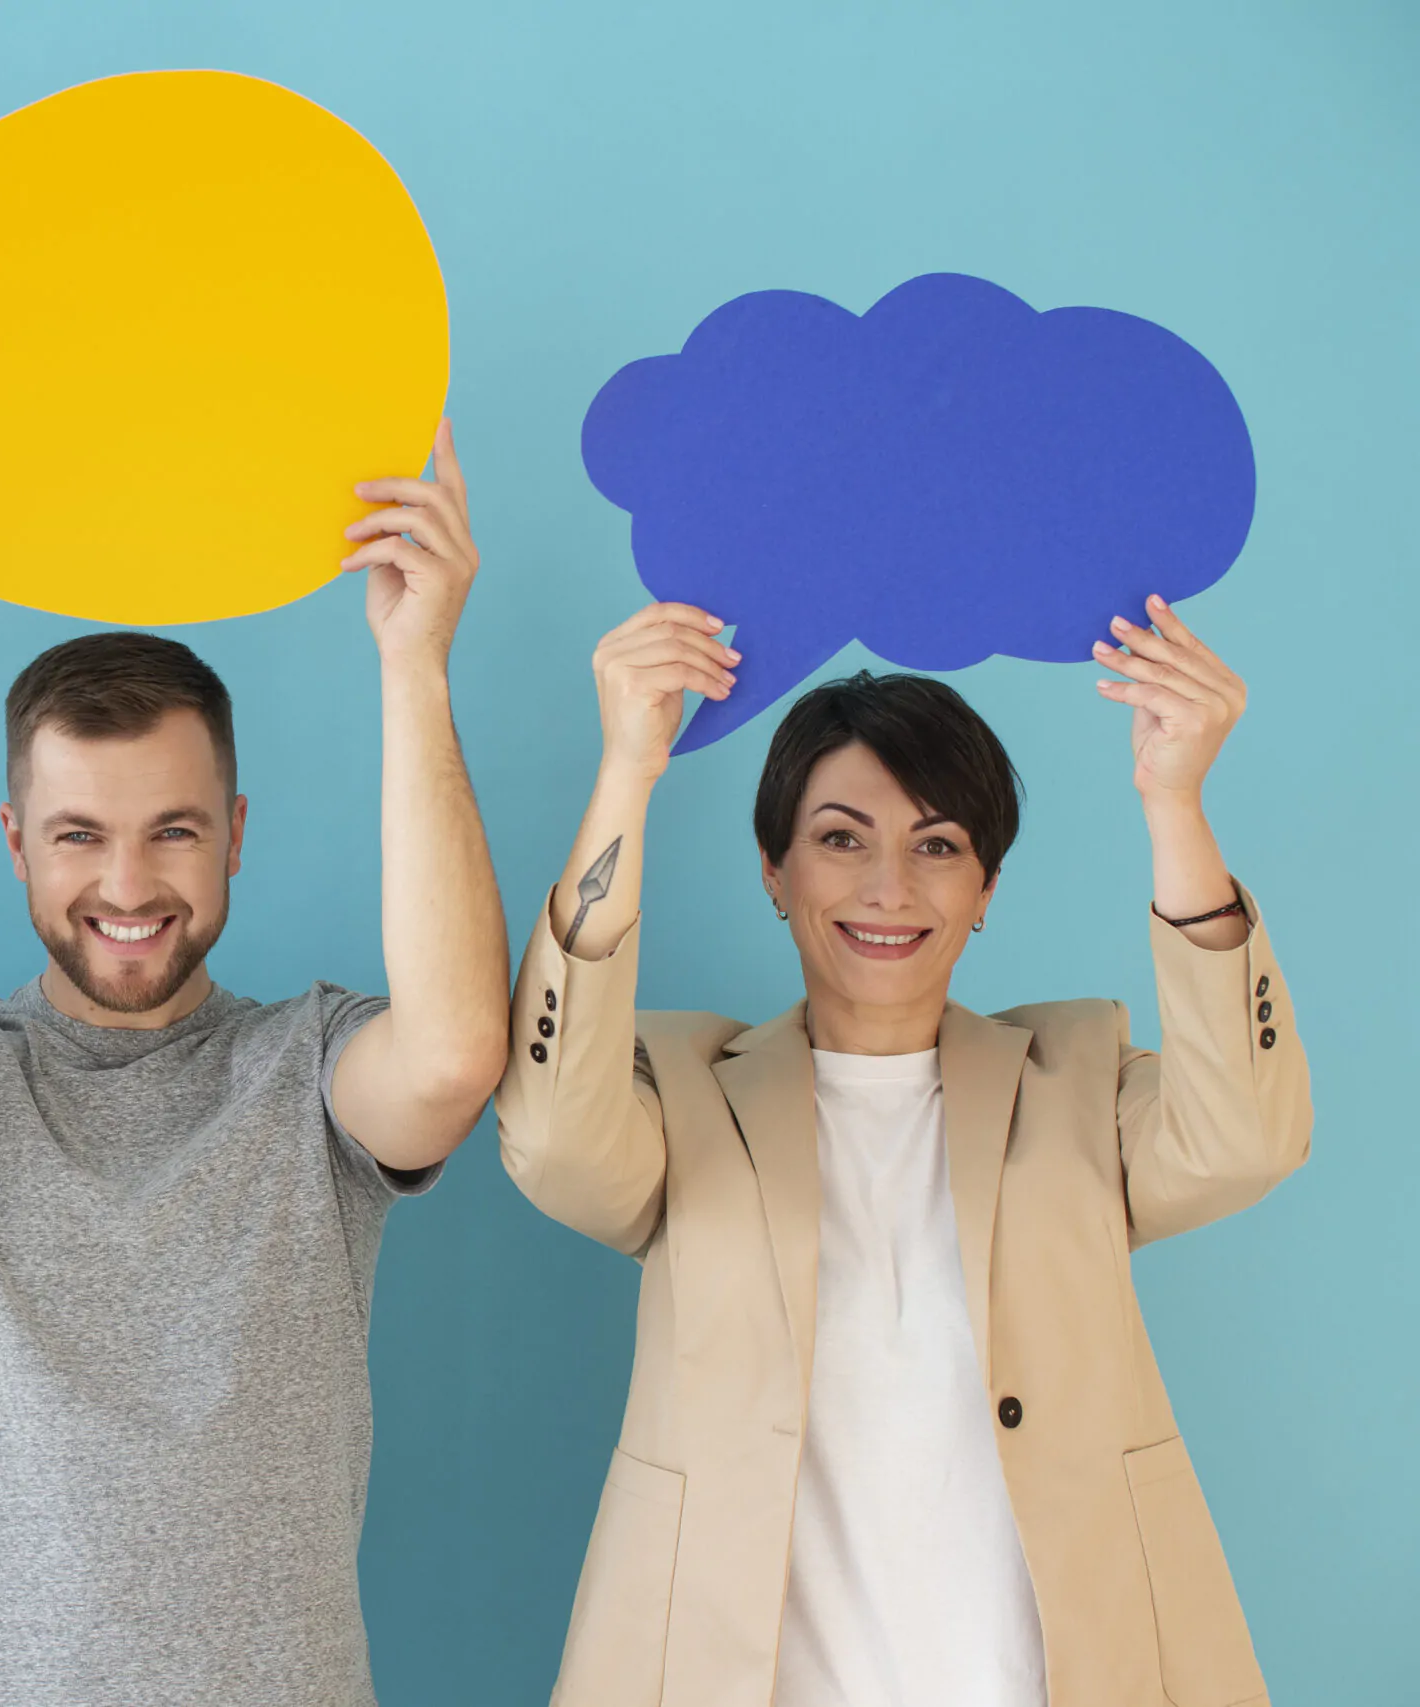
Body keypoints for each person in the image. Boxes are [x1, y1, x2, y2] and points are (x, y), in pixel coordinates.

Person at [0, 416, 511, 1706]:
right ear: (16, 842)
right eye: (79, 834)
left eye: (174, 831)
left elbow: (452, 1058)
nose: (129, 884)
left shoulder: (305, 1073)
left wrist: (414, 662)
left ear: (236, 835)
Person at [495, 598, 1312, 1707]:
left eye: (938, 846)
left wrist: (1173, 801)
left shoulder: (1074, 1084)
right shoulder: (679, 1096)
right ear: (774, 872)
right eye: (840, 839)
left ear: (985, 892)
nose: (889, 888)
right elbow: (549, 1138)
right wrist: (628, 771)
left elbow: (1245, 1134)